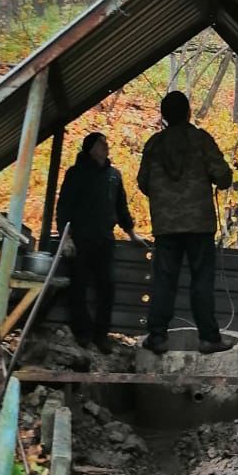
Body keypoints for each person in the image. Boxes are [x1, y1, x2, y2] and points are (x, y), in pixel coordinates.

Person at [137, 90, 234, 355]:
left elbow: (143, 182)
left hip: (166, 227)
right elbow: (223, 177)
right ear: (189, 112)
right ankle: (209, 338)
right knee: (201, 281)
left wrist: (165, 199)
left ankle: (157, 337)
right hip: (199, 226)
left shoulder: (154, 145)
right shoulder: (200, 140)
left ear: (164, 116)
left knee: (164, 281)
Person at [55, 131, 147, 354]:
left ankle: (101, 335)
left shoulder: (114, 176)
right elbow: (64, 206)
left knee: (107, 287)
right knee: (78, 286)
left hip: (105, 240)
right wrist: (65, 238)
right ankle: (82, 334)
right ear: (90, 148)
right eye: (101, 143)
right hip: (80, 240)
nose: (106, 147)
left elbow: (121, 207)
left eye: (106, 143)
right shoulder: (76, 173)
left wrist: (132, 233)